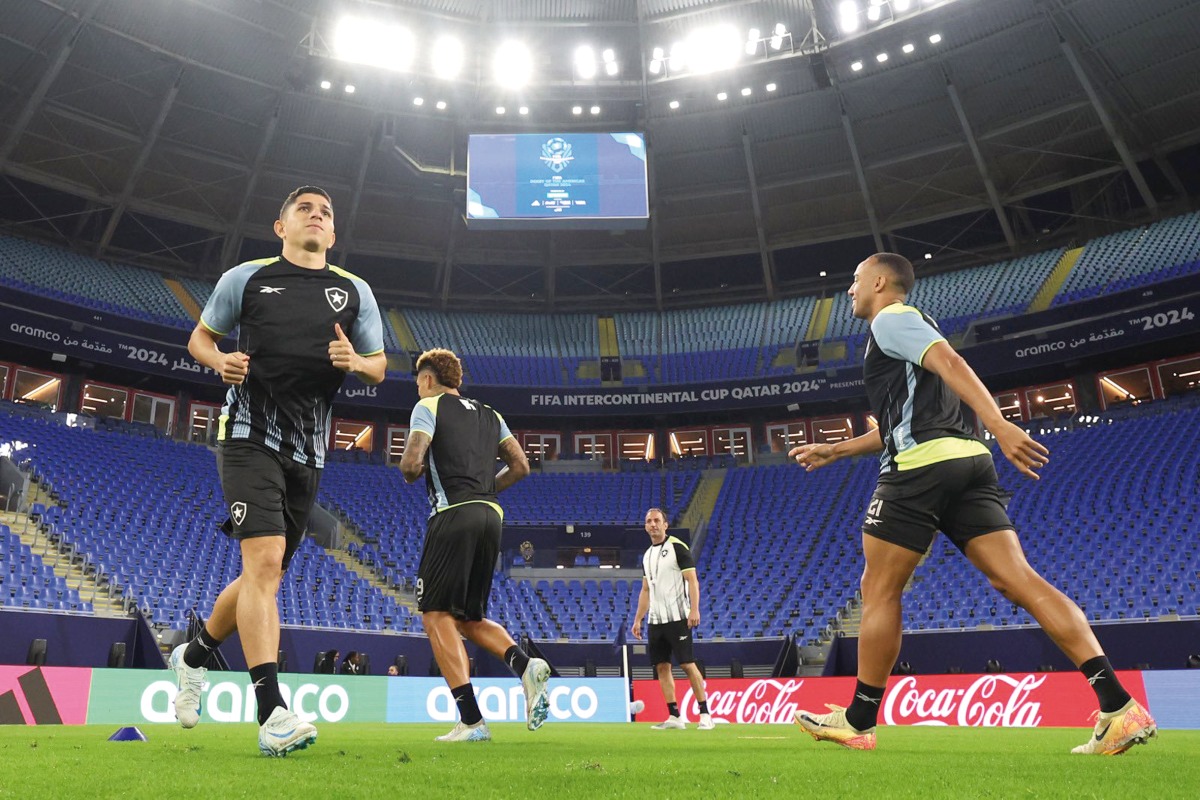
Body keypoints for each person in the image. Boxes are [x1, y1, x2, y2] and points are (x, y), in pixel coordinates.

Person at [789, 253, 1156, 755]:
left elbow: (954, 366)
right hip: (968, 462)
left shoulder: (892, 319)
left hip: (920, 470)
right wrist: (837, 449)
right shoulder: (914, 332)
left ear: (879, 281)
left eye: (854, 281)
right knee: (1017, 579)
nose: (849, 291)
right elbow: (901, 424)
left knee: (878, 589)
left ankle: (859, 720)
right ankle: (1117, 705)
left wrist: (1001, 423)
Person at [169, 186, 387, 757]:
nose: (317, 215)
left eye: (326, 212)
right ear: (281, 226)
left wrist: (356, 362)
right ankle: (272, 714)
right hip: (248, 436)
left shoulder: (354, 291)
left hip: (309, 453)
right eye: (304, 209)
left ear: (333, 234)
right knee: (264, 563)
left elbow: (380, 366)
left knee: (261, 577)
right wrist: (220, 360)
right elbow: (200, 338)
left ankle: (193, 655)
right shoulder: (246, 279)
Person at [399, 348, 551, 742]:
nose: (417, 389)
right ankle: (525, 665)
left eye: (418, 382)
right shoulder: (490, 414)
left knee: (434, 615)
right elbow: (521, 465)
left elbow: (411, 465)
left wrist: (415, 467)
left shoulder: (427, 406)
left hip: (453, 514)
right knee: (468, 618)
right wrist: (485, 491)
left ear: (428, 379)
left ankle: (472, 721)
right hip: (491, 516)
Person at [630, 507, 714, 731]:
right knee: (662, 667)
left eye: (657, 520)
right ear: (645, 526)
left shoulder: (677, 547)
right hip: (655, 621)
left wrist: (694, 610)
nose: (653, 524)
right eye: (649, 521)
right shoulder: (647, 555)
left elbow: (692, 580)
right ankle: (675, 716)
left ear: (665, 525)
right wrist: (638, 619)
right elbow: (645, 590)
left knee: (687, 664)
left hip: (678, 618)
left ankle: (705, 714)